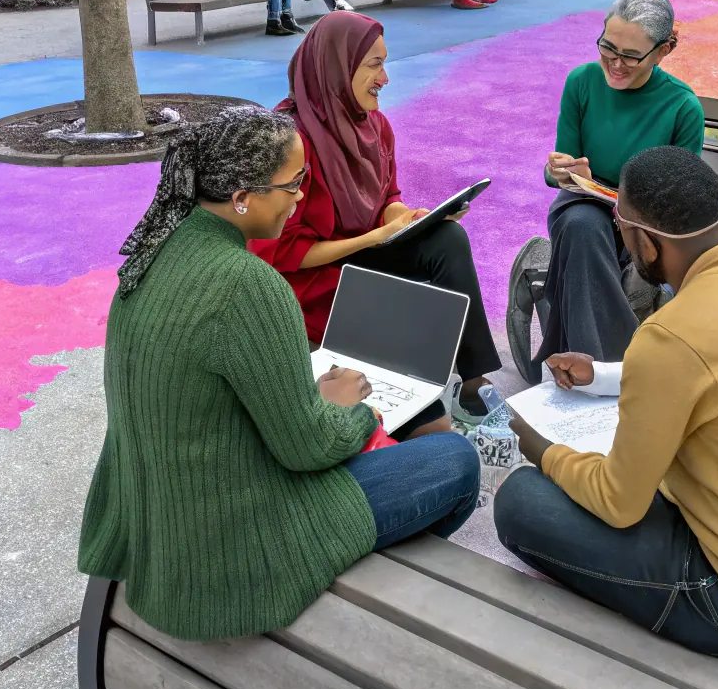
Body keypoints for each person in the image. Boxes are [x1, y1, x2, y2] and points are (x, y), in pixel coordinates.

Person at [78, 107, 480, 643]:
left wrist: (307, 396)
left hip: (162, 512)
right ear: (243, 195)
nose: (299, 198)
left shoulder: (152, 254)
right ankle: (363, 585)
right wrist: (354, 413)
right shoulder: (248, 284)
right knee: (453, 460)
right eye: (294, 184)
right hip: (235, 542)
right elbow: (306, 449)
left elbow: (205, 397)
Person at [496, 146, 718, 659]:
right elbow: (710, 372)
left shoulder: (669, 334)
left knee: (520, 501)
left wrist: (539, 447)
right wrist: (600, 376)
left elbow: (617, 502)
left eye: (620, 226)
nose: (620, 237)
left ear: (646, 244)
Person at [251, 14, 502, 427]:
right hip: (316, 278)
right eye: (372, 64)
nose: (384, 78)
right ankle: (418, 403)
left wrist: (404, 217)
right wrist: (374, 237)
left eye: (385, 63)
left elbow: (388, 196)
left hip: (365, 252)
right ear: (336, 66)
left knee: (447, 236)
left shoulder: (375, 127)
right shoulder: (290, 142)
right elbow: (283, 255)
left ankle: (474, 384)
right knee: (428, 406)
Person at [532, 0, 705, 367]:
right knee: (580, 223)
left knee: (583, 236)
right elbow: (561, 170)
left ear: (664, 51)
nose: (615, 63)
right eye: (607, 48)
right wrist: (558, 170)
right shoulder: (582, 82)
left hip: (646, 222)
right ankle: (613, 365)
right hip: (585, 203)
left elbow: (678, 201)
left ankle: (582, 364)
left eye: (630, 55)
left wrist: (633, 209)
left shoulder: (682, 106)